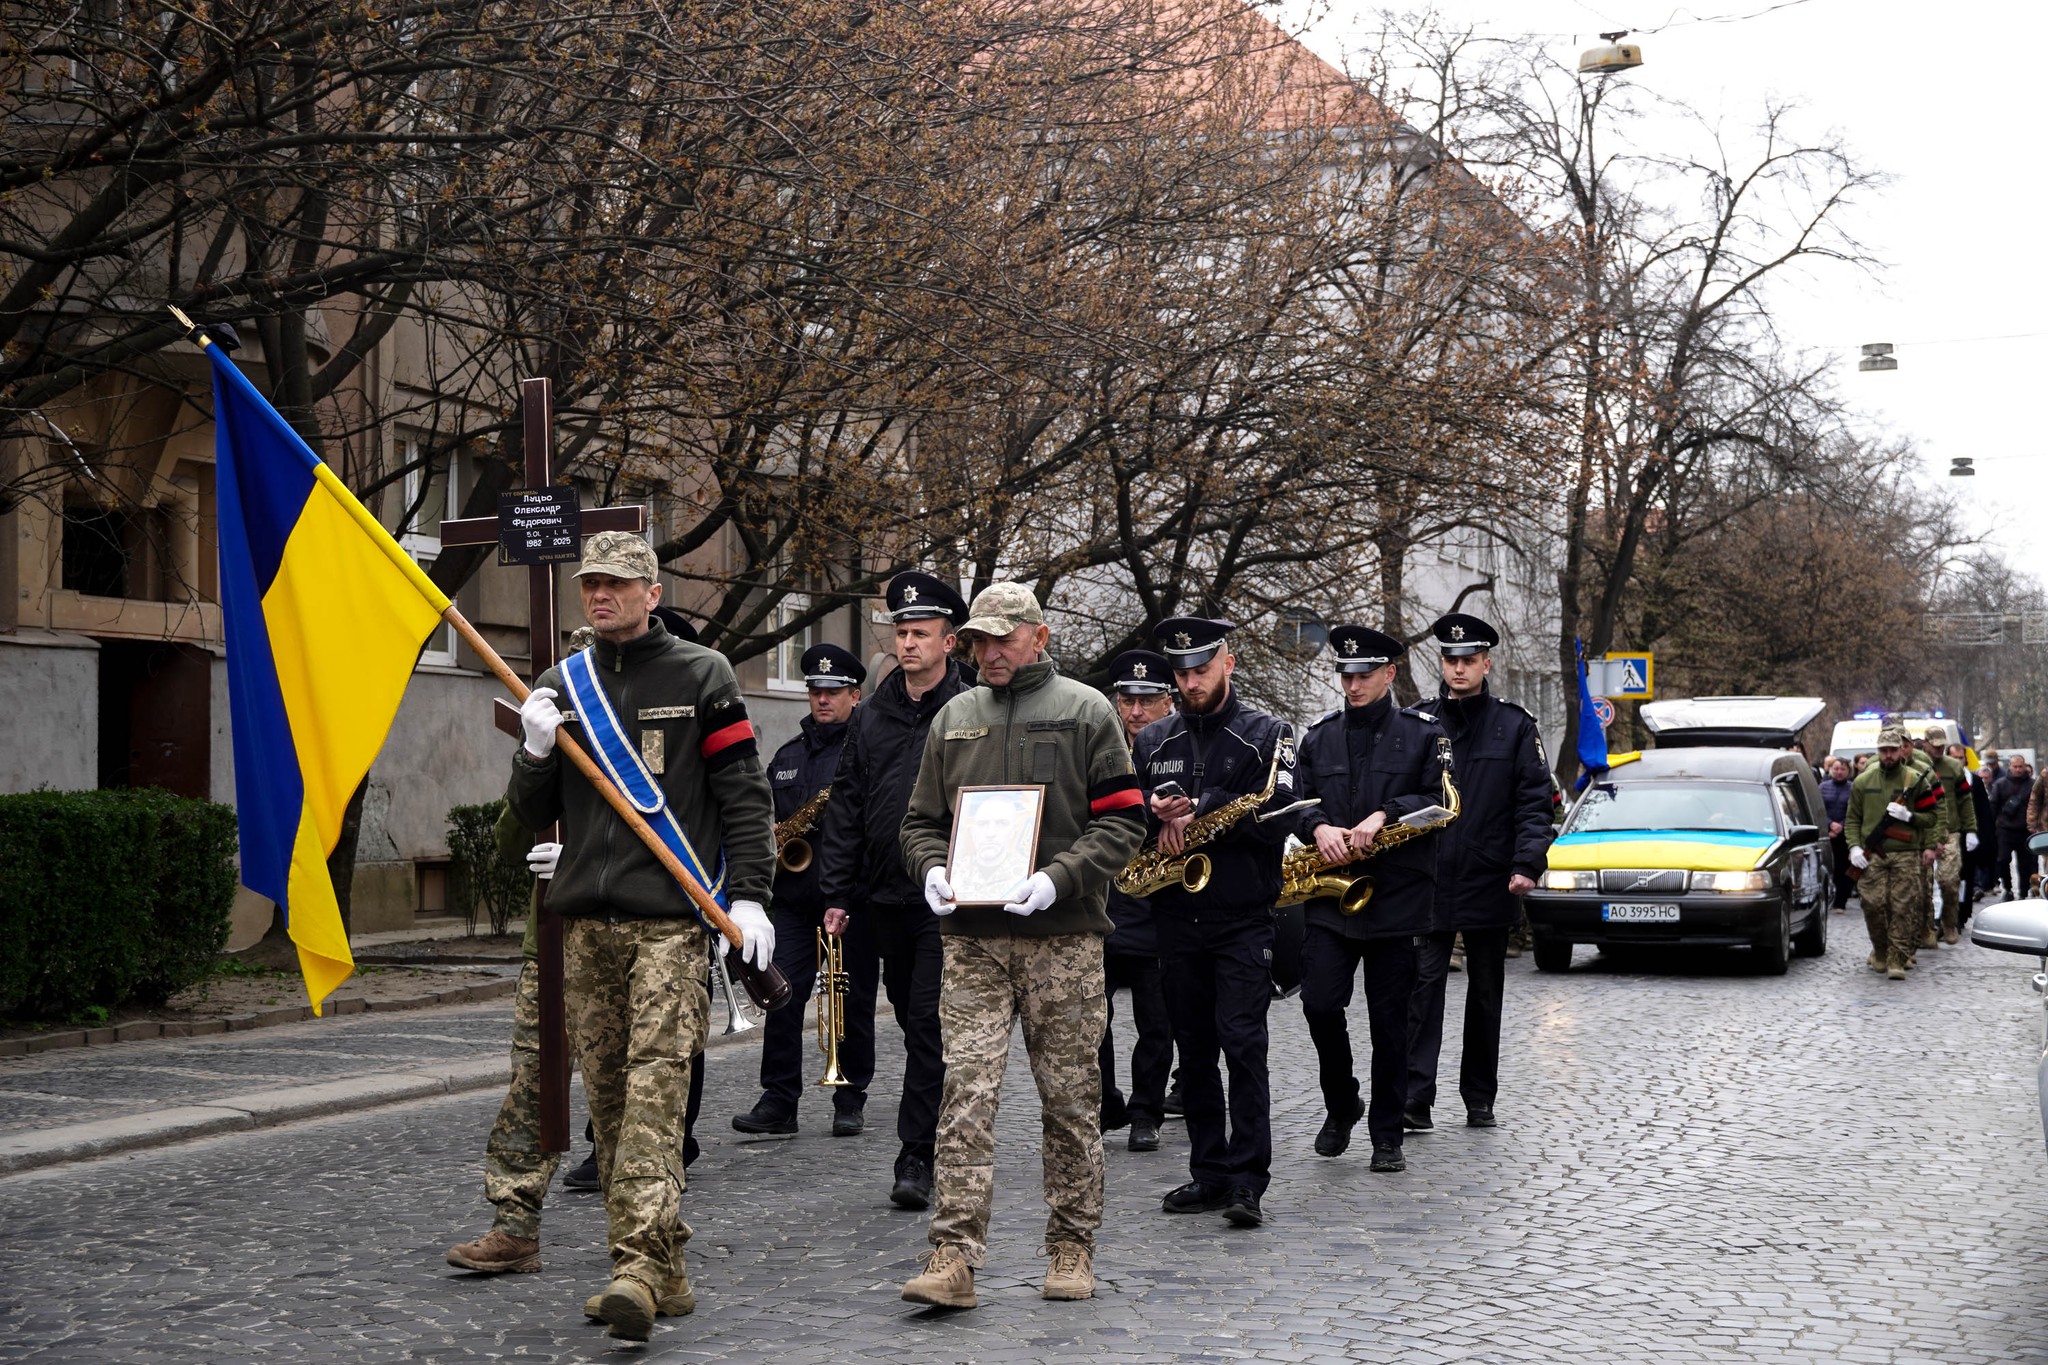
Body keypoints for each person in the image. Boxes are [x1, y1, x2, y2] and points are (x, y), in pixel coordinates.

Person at [505, 531, 777, 1340]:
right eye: (590, 582)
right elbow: (525, 812)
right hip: (586, 923)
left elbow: (744, 793)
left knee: (658, 1096)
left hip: (667, 924)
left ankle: (632, 1269)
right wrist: (534, 749)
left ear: (652, 591)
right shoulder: (564, 684)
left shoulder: (703, 675)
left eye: (618, 583)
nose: (600, 595)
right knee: (614, 1106)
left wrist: (753, 897)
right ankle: (668, 1263)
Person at [891, 583, 1147, 1309]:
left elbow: (1124, 822)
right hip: (972, 939)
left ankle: (1072, 1243)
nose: (989, 652)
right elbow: (919, 822)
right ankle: (954, 1252)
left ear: (1039, 635)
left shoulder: (1085, 710)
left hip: (1060, 938)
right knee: (964, 1094)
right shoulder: (956, 717)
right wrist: (933, 869)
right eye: (979, 639)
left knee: (1070, 1098)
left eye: (1003, 638)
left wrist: (1058, 879)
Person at [813, 570, 973, 1211]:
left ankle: (917, 1156)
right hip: (878, 894)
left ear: (948, 641)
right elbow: (848, 804)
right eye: (901, 633)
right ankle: (931, 1122)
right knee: (909, 1020)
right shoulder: (872, 715)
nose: (908, 644)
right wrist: (837, 892)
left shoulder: (968, 710)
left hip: (942, 898)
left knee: (929, 1024)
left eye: (921, 633)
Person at [1134, 616, 1297, 1228]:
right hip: (1176, 915)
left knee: (1243, 1044)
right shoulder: (1153, 741)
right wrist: (1154, 818)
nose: (1190, 683)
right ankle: (1209, 1172)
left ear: (1227, 662)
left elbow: (1282, 809)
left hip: (1242, 915)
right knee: (1195, 1049)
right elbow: (1126, 820)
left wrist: (1205, 807)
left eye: (1201, 670)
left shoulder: (1268, 733)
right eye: (1181, 674)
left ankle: (1248, 1178)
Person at [1289, 624, 1450, 1174]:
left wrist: (1387, 812)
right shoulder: (1319, 736)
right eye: (1344, 674)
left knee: (1390, 1022)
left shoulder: (1424, 734)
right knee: (1318, 1005)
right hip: (1331, 895)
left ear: (1390, 674)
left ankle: (1387, 1135)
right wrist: (1318, 827)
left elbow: (1442, 799)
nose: (1351, 685)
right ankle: (1342, 1104)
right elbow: (1296, 799)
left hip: (1397, 894)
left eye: (1362, 675)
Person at [1404, 613, 1552, 1136]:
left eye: (1469, 660)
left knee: (1486, 993)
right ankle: (1415, 1098)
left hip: (1491, 878)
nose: (1459, 669)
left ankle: (1479, 1098)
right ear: (1441, 664)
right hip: (1429, 879)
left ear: (1487, 663)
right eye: (1451, 660)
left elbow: (1534, 804)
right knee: (1422, 991)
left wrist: (1527, 863)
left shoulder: (1514, 726)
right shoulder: (1418, 723)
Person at [732, 643, 872, 1137]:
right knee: (782, 995)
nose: (822, 699)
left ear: (855, 695)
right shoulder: (788, 757)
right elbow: (766, 820)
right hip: (791, 897)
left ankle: (849, 1098)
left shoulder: (867, 750)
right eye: (815, 690)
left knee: (847, 997)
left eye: (833, 691)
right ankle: (779, 1100)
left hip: (848, 896)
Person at [1098, 650, 1177, 1154]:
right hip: (1104, 904)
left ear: (1167, 701)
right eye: (1127, 700)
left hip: (1158, 908)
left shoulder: (1180, 750)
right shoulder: (1101, 750)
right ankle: (1106, 1102)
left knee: (1156, 1022)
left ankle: (1147, 1111)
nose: (1135, 711)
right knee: (1092, 1020)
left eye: (1147, 701)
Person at [1844, 724, 1940, 979]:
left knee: (1902, 907)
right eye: (1884, 750)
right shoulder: (1863, 781)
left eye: (1893, 750)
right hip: (1871, 854)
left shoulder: (1914, 779)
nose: (1888, 755)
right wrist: (1854, 846)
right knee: (1872, 904)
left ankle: (1896, 959)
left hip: (1906, 852)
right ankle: (1880, 950)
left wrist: (1909, 816)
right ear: (1878, 750)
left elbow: (1932, 817)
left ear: (1901, 751)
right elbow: (1852, 819)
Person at [1920, 728, 1976, 945]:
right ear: (1925, 743)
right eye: (1934, 745)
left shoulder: (1952, 766)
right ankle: (1927, 926)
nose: (1938, 749)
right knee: (1923, 884)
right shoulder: (1917, 766)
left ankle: (1950, 922)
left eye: (1942, 745)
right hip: (1924, 830)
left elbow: (1965, 800)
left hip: (1950, 831)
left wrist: (1970, 829)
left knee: (1949, 880)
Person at [1994, 755, 2035, 900]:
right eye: (2015, 766)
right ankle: (2008, 888)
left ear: (2025, 767)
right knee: (2003, 860)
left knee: (2025, 865)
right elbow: (1994, 806)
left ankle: (2023, 891)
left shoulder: (2032, 784)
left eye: (2020, 766)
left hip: (2025, 830)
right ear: (2010, 766)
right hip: (2005, 830)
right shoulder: (2000, 784)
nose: (2018, 769)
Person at [1819, 756, 1854, 911]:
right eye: (1836, 769)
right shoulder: (1823, 787)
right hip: (1827, 833)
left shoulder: (1853, 788)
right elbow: (1818, 808)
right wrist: (1829, 824)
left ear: (1848, 771)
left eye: (1843, 769)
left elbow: (1855, 811)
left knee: (1843, 868)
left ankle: (1841, 900)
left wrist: (1841, 825)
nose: (1839, 772)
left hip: (1845, 834)